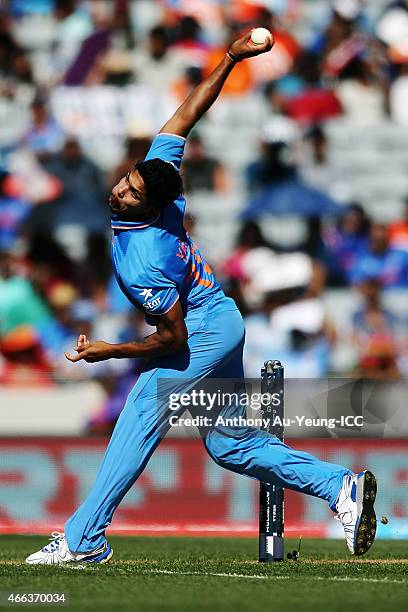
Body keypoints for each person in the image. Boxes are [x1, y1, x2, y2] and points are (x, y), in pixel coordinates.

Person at [26, 31, 377, 565]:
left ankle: (83, 540)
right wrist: (231, 59)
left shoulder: (147, 258)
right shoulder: (160, 180)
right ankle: (341, 489)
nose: (120, 190)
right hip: (222, 315)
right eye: (125, 181)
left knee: (145, 405)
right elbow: (188, 113)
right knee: (232, 445)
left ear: (151, 207)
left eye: (131, 194)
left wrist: (110, 350)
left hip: (203, 330)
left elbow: (173, 338)